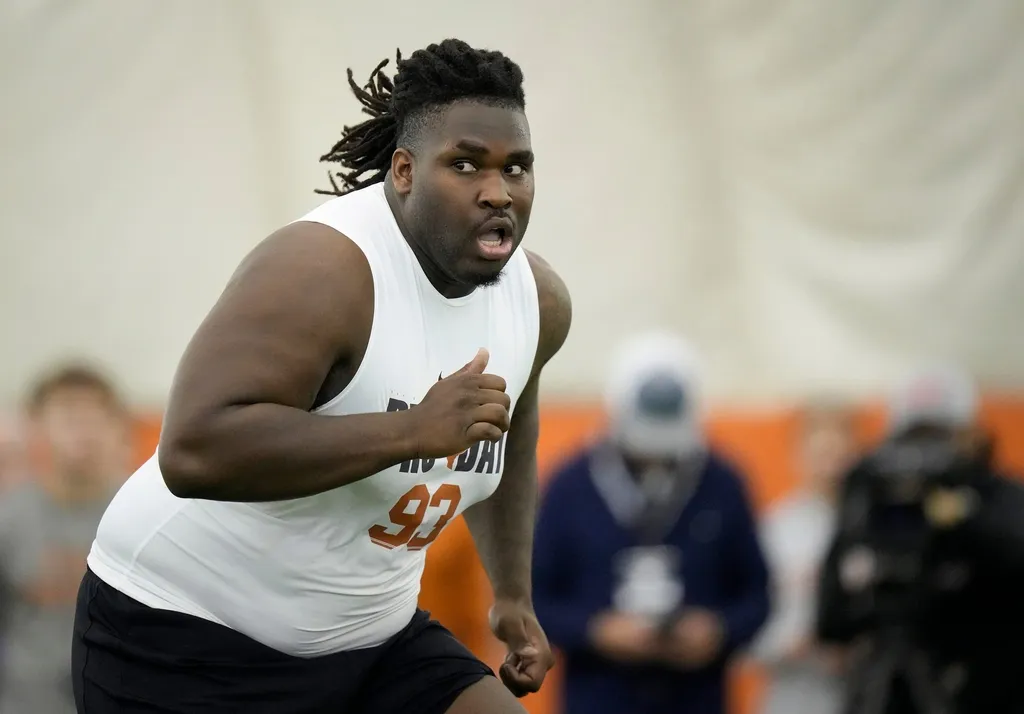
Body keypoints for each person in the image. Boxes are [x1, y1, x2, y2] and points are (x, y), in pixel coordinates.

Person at [72, 38, 571, 714]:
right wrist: (412, 431)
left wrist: (511, 593)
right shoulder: (325, 271)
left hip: (370, 641)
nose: (497, 191)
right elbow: (193, 450)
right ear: (403, 171)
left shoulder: (537, 300)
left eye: (517, 168)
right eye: (464, 165)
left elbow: (508, 433)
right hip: (185, 635)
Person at [532, 332, 770, 714]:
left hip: (697, 697)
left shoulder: (722, 483)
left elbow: (757, 593)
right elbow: (534, 598)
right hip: (598, 696)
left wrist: (719, 630)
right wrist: (596, 631)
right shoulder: (569, 485)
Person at [0, 365, 127, 714]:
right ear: (37, 425)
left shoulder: (141, 516)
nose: (83, 429)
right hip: (27, 701)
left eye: (95, 414)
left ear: (116, 425)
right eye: (68, 414)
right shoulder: (9, 520)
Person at [751, 401, 859, 714]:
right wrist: (793, 643)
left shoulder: (875, 528)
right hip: (793, 697)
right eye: (820, 454)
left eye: (838, 454)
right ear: (798, 455)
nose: (830, 466)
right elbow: (746, 635)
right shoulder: (774, 530)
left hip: (861, 696)